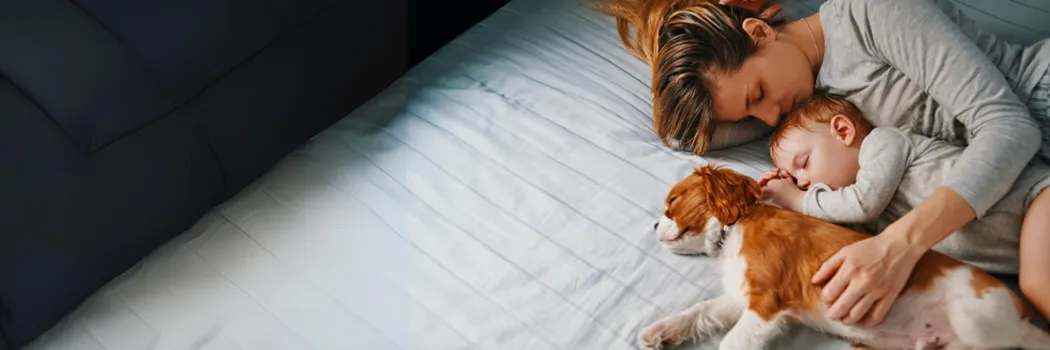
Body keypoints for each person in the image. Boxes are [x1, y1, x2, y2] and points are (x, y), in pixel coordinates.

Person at [592, 0, 1050, 326]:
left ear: (758, 32)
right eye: (751, 114)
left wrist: (898, 245)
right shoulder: (800, 112)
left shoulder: (873, 13)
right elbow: (684, 135)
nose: (768, 118)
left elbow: (1009, 127)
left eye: (758, 95)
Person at [759, 94, 1050, 323]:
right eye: (795, 179)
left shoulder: (883, 142)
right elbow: (841, 225)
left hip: (1038, 196)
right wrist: (783, 200)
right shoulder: (872, 222)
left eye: (804, 163)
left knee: (1037, 284)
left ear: (843, 130)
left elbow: (863, 203)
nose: (805, 182)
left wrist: (795, 199)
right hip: (1020, 248)